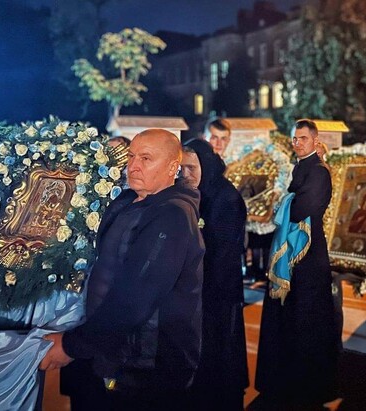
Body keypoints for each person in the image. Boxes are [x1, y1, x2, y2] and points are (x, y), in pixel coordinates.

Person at [42, 129, 205, 410]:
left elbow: (137, 296)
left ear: (171, 167)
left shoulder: (171, 214)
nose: (133, 165)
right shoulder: (129, 202)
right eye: (131, 156)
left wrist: (72, 345)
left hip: (147, 367)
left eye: (146, 158)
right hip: (113, 356)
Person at [254, 119, 341, 408]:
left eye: (303, 138)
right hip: (292, 253)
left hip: (308, 256)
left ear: (315, 141)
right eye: (294, 138)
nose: (298, 143)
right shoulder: (299, 168)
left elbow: (301, 208)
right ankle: (285, 380)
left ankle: (307, 386)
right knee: (288, 318)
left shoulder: (318, 171)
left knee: (306, 319)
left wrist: (284, 200)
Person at [181, 139, 249, 411]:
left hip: (217, 293)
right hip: (197, 293)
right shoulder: (191, 194)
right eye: (181, 168)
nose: (185, 175)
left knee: (220, 359)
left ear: (206, 166)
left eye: (191, 167)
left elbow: (222, 253)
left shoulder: (225, 197)